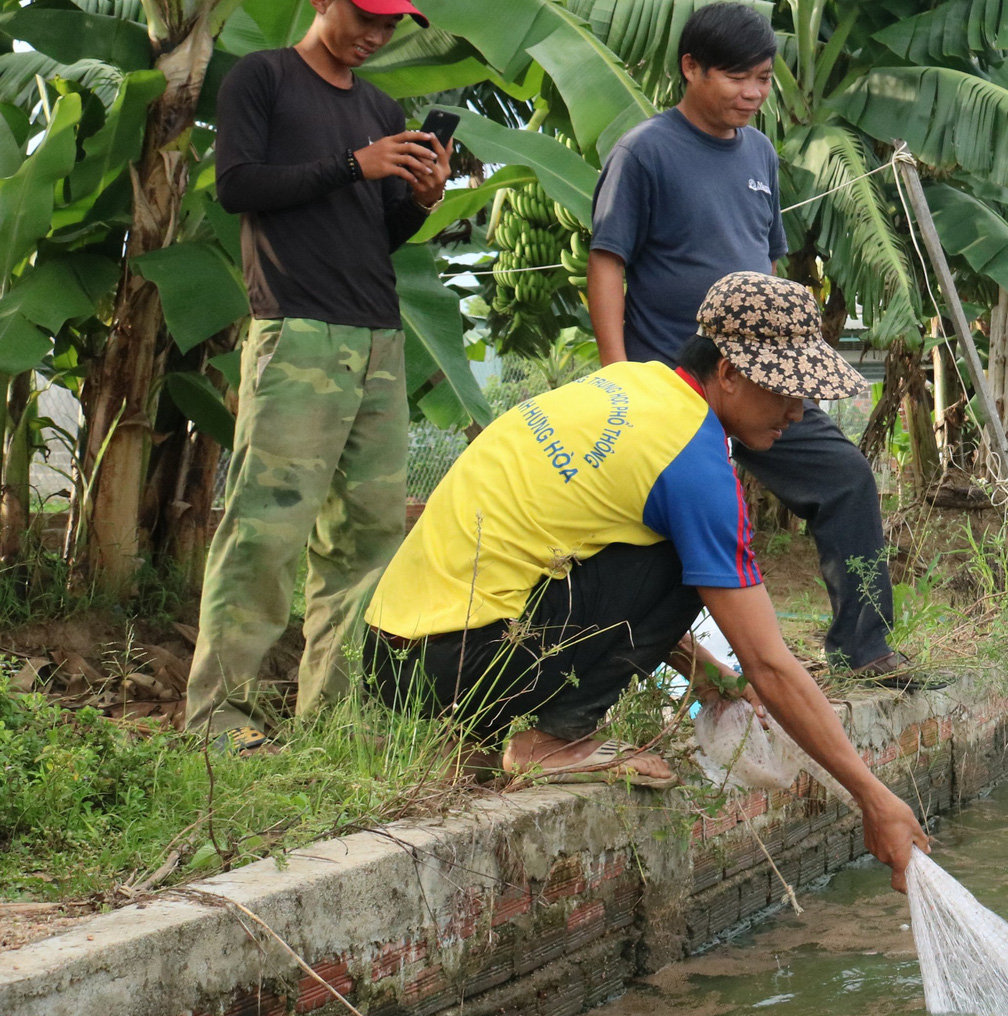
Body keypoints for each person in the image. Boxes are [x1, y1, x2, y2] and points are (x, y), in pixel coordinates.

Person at [361, 273, 930, 887]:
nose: (797, 412)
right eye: (783, 390)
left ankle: (475, 739)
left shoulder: (635, 385)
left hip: (396, 660)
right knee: (702, 559)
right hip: (463, 660)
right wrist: (873, 798)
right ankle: (548, 744)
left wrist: (706, 673)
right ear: (728, 373)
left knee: (685, 550)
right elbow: (769, 662)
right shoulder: (694, 462)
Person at [585, 1, 937, 689]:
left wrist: (790, 366)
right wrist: (616, 376)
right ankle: (629, 680)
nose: (752, 93)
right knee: (653, 541)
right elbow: (607, 264)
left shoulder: (760, 154)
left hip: (758, 383)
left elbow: (767, 267)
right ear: (691, 68)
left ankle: (864, 652)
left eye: (764, 79)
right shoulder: (645, 152)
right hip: (673, 388)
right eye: (737, 78)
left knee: (846, 480)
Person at [185, 0, 452, 750]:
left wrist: (418, 196)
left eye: (389, 23)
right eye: (365, 17)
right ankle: (214, 719)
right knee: (265, 529)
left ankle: (331, 717)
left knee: (366, 538)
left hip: (376, 333)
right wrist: (352, 164)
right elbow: (239, 185)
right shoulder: (260, 78)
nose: (376, 34)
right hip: (295, 329)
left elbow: (383, 229)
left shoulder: (378, 107)